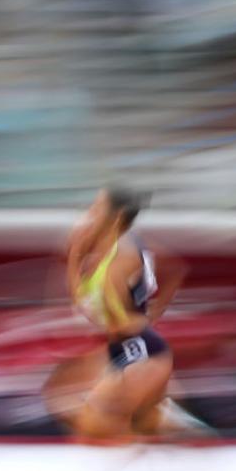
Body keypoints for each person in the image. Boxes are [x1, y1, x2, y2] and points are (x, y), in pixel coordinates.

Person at [60, 187, 187, 441]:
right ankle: (177, 427)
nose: (89, 215)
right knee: (137, 426)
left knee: (94, 426)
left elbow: (104, 319)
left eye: (96, 209)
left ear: (115, 218)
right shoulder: (122, 244)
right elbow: (176, 269)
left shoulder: (121, 260)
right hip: (127, 346)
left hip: (137, 350)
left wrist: (74, 259)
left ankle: (169, 428)